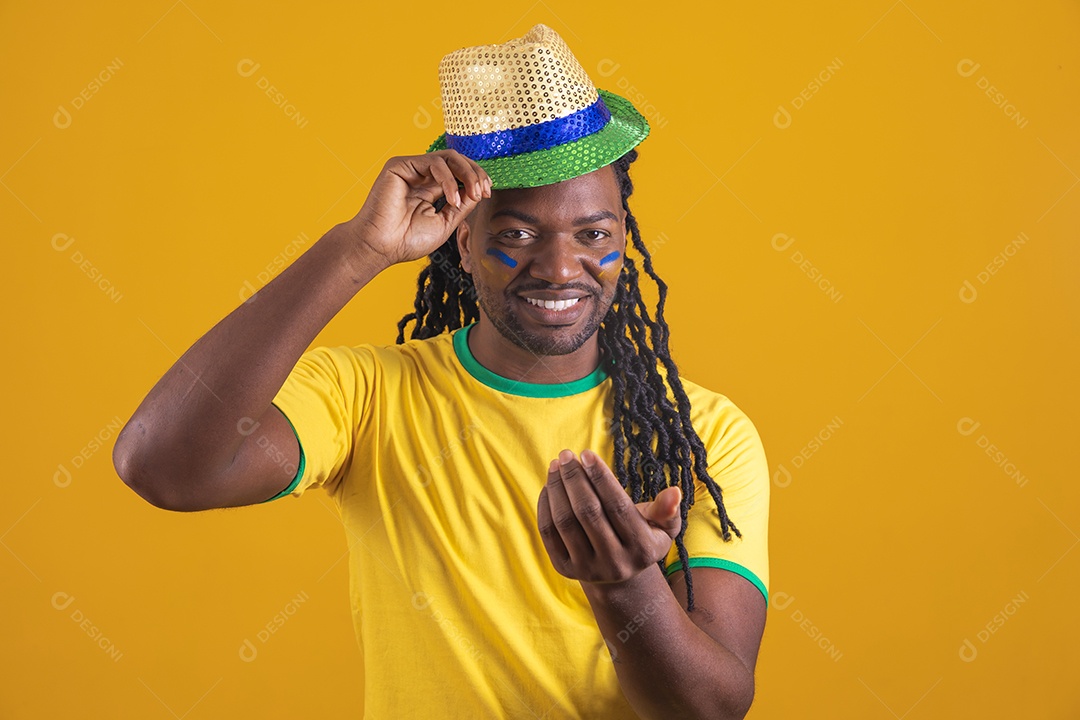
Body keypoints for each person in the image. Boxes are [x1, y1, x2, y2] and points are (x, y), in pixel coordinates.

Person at [113, 23, 770, 720]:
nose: (559, 268)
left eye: (593, 234)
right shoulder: (366, 396)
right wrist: (358, 249)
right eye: (516, 234)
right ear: (462, 240)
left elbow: (712, 708)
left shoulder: (705, 434)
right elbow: (161, 466)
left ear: (623, 239)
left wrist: (624, 585)